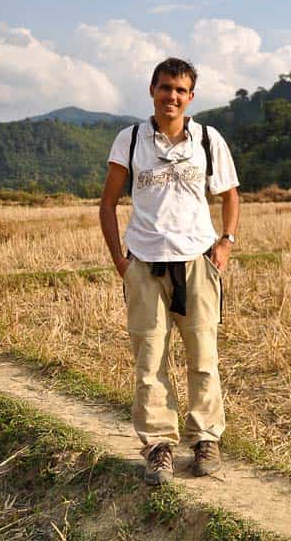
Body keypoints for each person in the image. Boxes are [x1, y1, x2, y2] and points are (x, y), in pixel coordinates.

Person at [99, 57, 240, 485]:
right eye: (165, 88)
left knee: (203, 357)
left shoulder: (208, 139)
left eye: (180, 90)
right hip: (144, 264)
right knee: (149, 360)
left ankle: (204, 440)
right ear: (152, 90)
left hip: (197, 262)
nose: (171, 97)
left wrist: (225, 243)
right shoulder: (131, 139)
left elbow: (230, 195)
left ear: (191, 97)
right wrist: (121, 263)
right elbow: (107, 205)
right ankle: (159, 446)